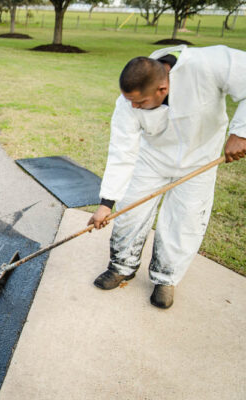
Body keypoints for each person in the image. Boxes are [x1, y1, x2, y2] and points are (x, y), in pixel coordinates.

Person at [89, 45, 246, 309]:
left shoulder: (209, 63)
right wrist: (106, 204)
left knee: (184, 220)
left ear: (162, 90)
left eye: (140, 103)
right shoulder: (128, 103)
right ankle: (121, 266)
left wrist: (241, 132)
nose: (134, 107)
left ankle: (166, 278)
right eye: (130, 101)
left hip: (201, 158)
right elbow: (121, 152)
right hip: (153, 159)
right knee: (129, 211)